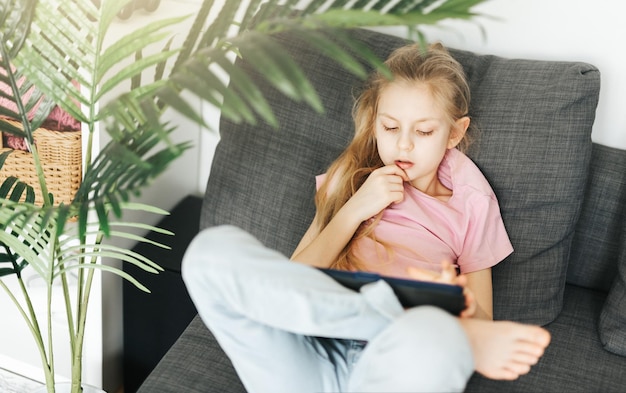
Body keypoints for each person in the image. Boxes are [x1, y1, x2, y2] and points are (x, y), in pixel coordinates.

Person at [182, 42, 551, 393]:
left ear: (455, 133)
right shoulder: (351, 177)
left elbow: (482, 325)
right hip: (308, 348)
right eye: (390, 127)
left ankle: (403, 317)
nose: (403, 144)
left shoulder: (471, 202)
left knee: (437, 331)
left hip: (394, 360)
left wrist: (456, 309)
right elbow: (291, 282)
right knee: (207, 253)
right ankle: (392, 312)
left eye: (423, 131)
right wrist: (356, 208)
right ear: (375, 123)